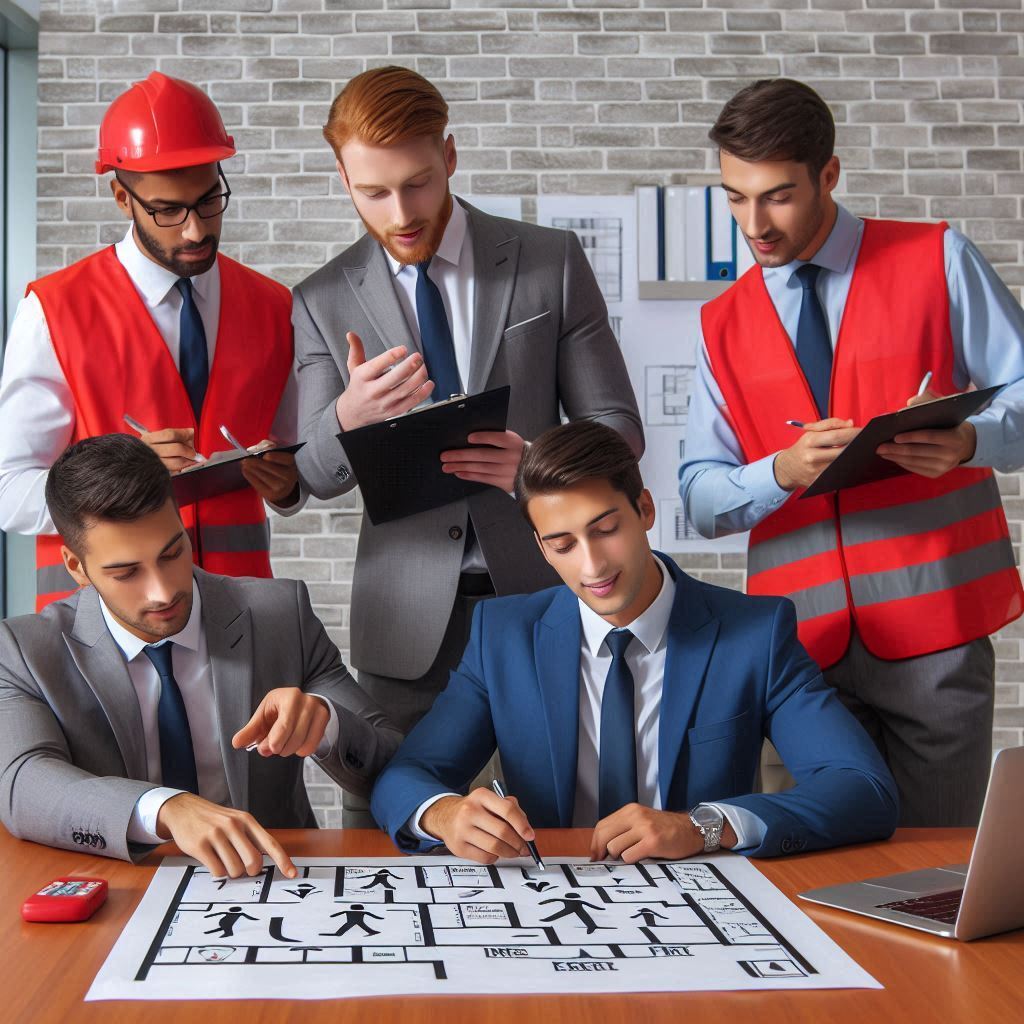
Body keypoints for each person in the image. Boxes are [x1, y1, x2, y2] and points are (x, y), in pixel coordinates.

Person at [293, 67, 643, 825]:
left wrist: (538, 470)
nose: (400, 213)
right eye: (372, 193)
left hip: (547, 599)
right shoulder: (320, 299)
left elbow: (617, 429)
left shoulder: (549, 260)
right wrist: (348, 417)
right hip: (403, 626)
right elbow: (308, 476)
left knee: (568, 833)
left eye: (416, 183)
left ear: (449, 155)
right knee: (396, 831)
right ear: (343, 178)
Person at [679, 78, 1024, 827]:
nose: (753, 224)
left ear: (829, 174)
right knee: (811, 867)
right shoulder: (721, 322)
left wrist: (969, 439)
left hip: (937, 627)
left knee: (936, 870)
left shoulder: (937, 258)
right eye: (734, 197)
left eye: (776, 195)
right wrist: (782, 472)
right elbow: (699, 499)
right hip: (797, 655)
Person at [370, 421, 897, 863]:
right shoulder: (502, 636)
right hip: (551, 898)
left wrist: (705, 826)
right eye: (563, 544)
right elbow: (408, 776)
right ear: (542, 549)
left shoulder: (754, 633)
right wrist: (444, 813)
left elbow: (863, 789)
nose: (593, 566)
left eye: (605, 529)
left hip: (704, 902)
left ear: (644, 510)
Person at [0, 434, 402, 878]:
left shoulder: (280, 614)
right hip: (121, 885)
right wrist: (164, 808)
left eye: (172, 552)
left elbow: (388, 754)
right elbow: (22, 783)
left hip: (271, 877)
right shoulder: (23, 651)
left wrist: (327, 722)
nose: (163, 591)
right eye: (126, 572)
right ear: (76, 567)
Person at [0, 72, 303, 611]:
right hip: (99, 630)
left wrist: (288, 485)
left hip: (243, 620)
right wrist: (119, 481)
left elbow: (291, 457)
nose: (194, 230)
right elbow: (7, 489)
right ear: (123, 197)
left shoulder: (274, 306)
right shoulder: (53, 310)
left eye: (209, 201)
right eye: (168, 210)